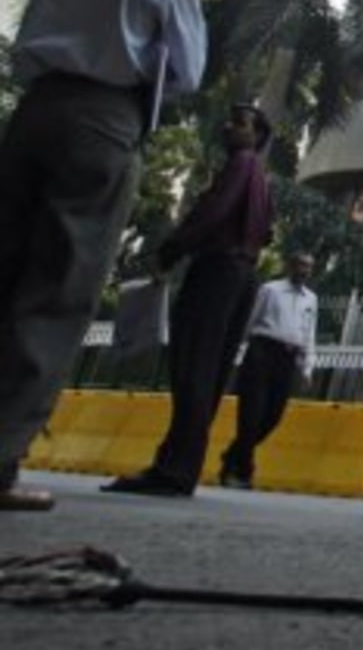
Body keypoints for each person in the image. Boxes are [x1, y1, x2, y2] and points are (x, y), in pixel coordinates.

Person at [0, 0, 207, 513]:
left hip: (36, 111)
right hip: (104, 121)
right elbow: (186, 73)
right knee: (58, 287)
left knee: (6, 270)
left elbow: (26, 41)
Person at [106, 104, 277, 497]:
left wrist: (173, 248)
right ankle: (179, 463)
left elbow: (213, 211)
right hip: (243, 272)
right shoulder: (262, 179)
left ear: (257, 136)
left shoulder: (241, 164)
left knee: (193, 368)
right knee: (209, 374)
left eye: (240, 124)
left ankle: (174, 468)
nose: (229, 127)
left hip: (218, 269)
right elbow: (266, 232)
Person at [218, 251, 320, 489]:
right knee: (251, 413)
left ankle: (232, 455)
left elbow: (309, 333)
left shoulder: (310, 299)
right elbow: (250, 321)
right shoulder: (270, 290)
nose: (304, 271)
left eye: (308, 267)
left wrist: (307, 367)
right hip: (262, 351)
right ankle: (241, 470)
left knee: (273, 415)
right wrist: (236, 352)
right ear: (290, 266)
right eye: (300, 265)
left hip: (288, 358)